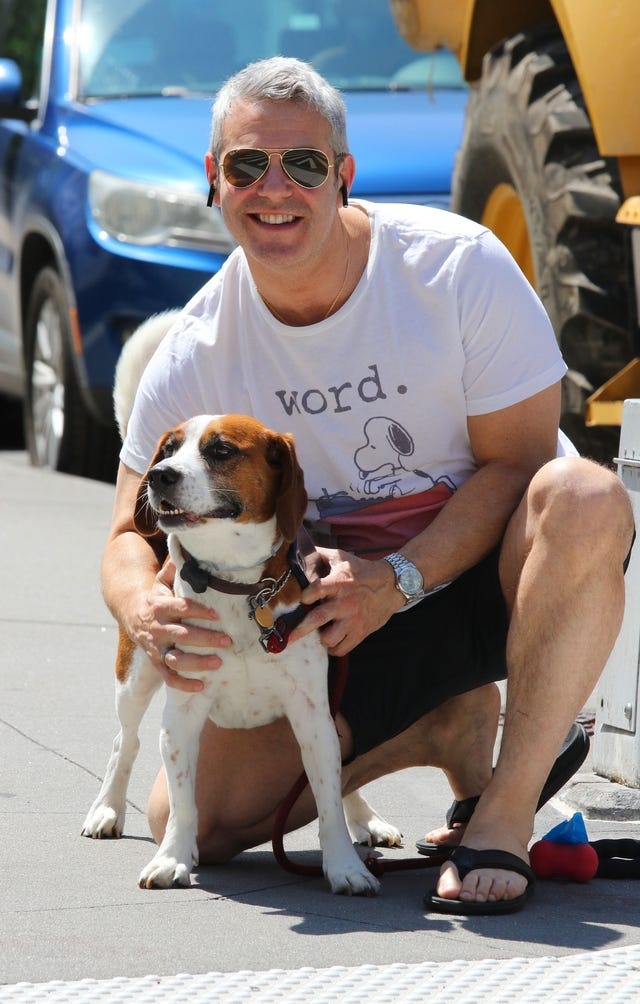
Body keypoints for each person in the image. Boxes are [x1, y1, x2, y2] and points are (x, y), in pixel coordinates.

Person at [102, 56, 634, 914]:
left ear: (344, 174)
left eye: (304, 164)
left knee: (586, 497)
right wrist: (142, 609)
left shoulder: (456, 267)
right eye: (247, 164)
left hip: (490, 585)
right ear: (215, 178)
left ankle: (503, 810)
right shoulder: (195, 351)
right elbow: (129, 533)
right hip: (328, 623)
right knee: (196, 821)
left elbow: (520, 462)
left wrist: (398, 580)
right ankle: (442, 722)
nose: (275, 188)